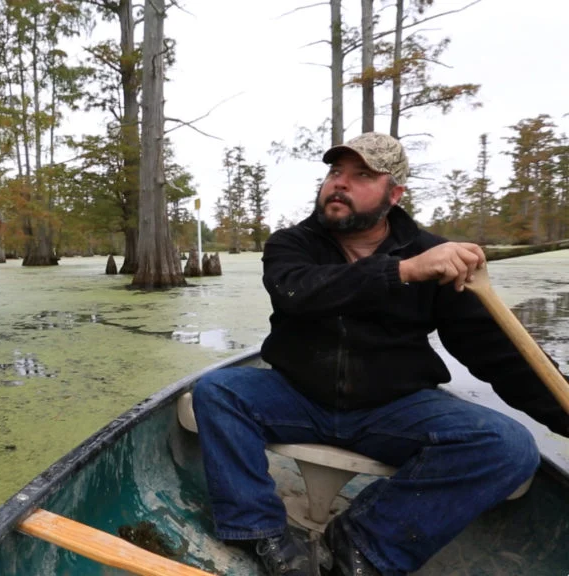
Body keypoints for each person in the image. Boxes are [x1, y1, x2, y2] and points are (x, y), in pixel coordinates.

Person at [191, 132, 569, 576]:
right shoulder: (291, 245)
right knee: (218, 391)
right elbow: (299, 293)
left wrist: (562, 409)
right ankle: (261, 531)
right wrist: (403, 272)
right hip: (295, 396)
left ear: (395, 194)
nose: (340, 183)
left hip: (394, 409)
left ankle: (364, 541)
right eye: (336, 172)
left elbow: (496, 353)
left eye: (362, 175)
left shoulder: (434, 255)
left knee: (508, 446)